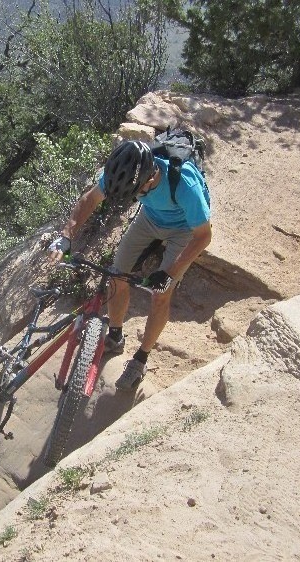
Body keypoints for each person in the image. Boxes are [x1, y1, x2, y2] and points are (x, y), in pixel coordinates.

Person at [47, 140, 212, 390]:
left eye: (136, 192)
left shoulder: (184, 184)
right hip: (149, 218)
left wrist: (169, 272)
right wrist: (66, 236)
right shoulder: (122, 172)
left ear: (149, 178)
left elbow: (203, 236)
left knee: (161, 294)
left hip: (184, 228)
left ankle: (140, 359)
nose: (132, 196)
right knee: (116, 276)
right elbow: (89, 200)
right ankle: (115, 336)